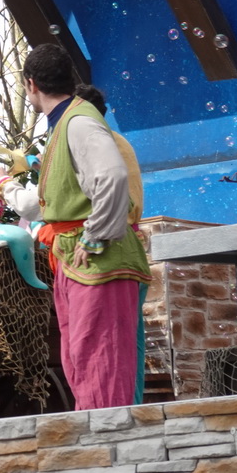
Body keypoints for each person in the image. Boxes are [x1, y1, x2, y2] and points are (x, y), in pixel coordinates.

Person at [0, 44, 150, 409]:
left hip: (98, 260)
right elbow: (47, 205)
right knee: (83, 357)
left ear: (31, 85)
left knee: (101, 358)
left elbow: (110, 177)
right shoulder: (65, 126)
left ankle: (110, 448)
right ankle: (101, 447)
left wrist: (94, 236)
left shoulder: (79, 121)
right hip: (78, 260)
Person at [74, 83, 148, 405]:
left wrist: (89, 239)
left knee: (104, 347)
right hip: (131, 248)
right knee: (131, 343)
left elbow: (107, 188)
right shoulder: (119, 142)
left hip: (106, 252)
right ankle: (132, 408)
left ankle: (115, 417)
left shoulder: (92, 143)